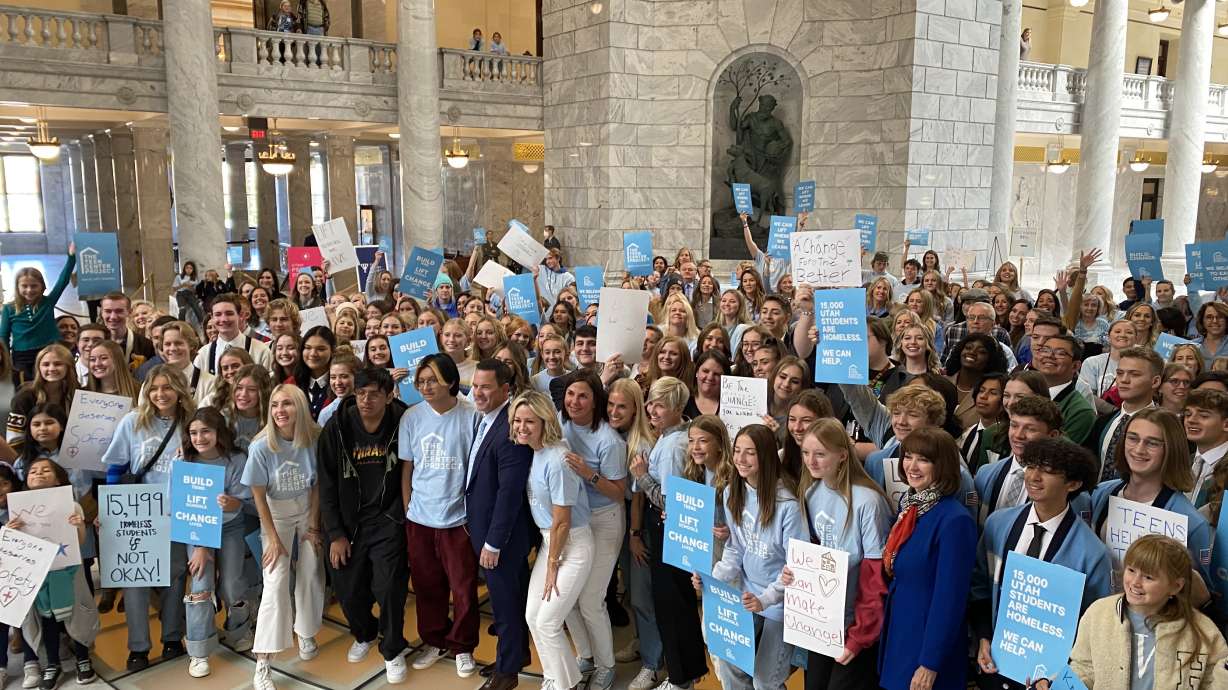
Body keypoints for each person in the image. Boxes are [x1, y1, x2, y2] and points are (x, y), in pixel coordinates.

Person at [970, 437, 1112, 690]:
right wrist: (983, 636)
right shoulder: (998, 524)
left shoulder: (1092, 553)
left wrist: (1062, 676)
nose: (1034, 477)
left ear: (1073, 483)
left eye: (1048, 471)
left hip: (1047, 679)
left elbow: (1093, 625)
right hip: (994, 664)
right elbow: (980, 584)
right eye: (1031, 466)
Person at [318, 366, 411, 683]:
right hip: (349, 524)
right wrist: (335, 534)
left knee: (389, 588)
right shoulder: (336, 428)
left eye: (374, 394)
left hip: (388, 519)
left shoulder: (403, 421)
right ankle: (365, 633)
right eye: (361, 393)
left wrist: (399, 515)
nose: (366, 400)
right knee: (347, 591)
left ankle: (392, 648)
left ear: (388, 395)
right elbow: (326, 485)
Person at [783, 419, 890, 690]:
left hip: (854, 626)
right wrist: (793, 574)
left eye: (820, 454)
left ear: (843, 455)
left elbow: (875, 580)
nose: (811, 461)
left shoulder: (867, 502)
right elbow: (809, 557)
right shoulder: (810, 492)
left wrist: (859, 636)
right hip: (822, 624)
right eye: (806, 453)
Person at [101, 365, 193, 671]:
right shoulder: (132, 422)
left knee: (176, 575)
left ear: (180, 389)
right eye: (154, 388)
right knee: (135, 582)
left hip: (178, 512)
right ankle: (138, 647)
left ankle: (171, 637)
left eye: (167, 387)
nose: (160, 394)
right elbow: (115, 467)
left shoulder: (191, 423)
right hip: (137, 513)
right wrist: (110, 511)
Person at [706, 424, 808, 690]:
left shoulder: (787, 505)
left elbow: (796, 567)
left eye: (749, 453)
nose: (740, 459)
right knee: (729, 662)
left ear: (765, 456)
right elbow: (736, 548)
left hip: (780, 604)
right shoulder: (732, 493)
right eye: (737, 451)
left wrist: (766, 600)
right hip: (748, 594)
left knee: (765, 680)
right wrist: (713, 579)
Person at [397, 355, 480, 677]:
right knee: (427, 585)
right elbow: (407, 468)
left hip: (458, 519)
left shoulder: (471, 415)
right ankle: (434, 638)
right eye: (421, 381)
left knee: (463, 588)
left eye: (432, 380)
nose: (425, 387)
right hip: (420, 517)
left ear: (449, 380)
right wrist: (408, 509)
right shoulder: (412, 417)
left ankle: (463, 645)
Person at [876, 427, 977, 690]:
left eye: (924, 459)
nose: (912, 465)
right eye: (908, 456)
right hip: (900, 633)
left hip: (927, 647)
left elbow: (950, 599)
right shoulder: (909, 506)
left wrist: (930, 663)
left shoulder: (955, 520)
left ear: (942, 465)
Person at [508, 390, 592, 690]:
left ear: (545, 422)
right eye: (517, 420)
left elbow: (563, 521)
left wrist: (553, 564)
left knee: (548, 622)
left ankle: (564, 685)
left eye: (529, 421)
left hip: (572, 545)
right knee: (533, 617)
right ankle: (557, 678)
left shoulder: (557, 458)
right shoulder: (536, 451)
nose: (521, 427)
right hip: (551, 542)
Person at [628, 377, 707, 690]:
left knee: (673, 604)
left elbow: (670, 502)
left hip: (668, 530)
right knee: (673, 603)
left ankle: (680, 678)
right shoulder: (671, 435)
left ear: (676, 408)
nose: (651, 409)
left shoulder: (675, 445)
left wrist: (642, 476)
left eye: (659, 404)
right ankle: (683, 672)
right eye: (649, 403)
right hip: (665, 529)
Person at [1069, 534, 1228, 689]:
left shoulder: (1203, 631)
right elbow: (1083, 668)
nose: (1135, 582)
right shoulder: (1098, 613)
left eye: (1148, 577)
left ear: (1176, 586)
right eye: (1131, 570)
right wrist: (1055, 685)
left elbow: (1213, 682)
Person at [245, 385, 325, 690]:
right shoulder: (261, 446)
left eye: (287, 404)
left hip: (306, 509)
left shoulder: (314, 438)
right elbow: (257, 493)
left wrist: (314, 525)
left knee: (310, 571)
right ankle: (263, 661)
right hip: (275, 514)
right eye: (275, 405)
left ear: (300, 408)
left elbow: (317, 484)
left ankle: (305, 631)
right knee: (276, 581)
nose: (280, 411)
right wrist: (274, 538)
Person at [1089, 408, 1214, 590]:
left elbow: (1203, 593)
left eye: (1152, 443)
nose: (1139, 449)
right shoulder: (1100, 493)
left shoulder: (1191, 522)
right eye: (1132, 438)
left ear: (1171, 450)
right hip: (1100, 610)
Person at [465, 359, 534, 690]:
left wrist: (493, 543)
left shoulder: (510, 429)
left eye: (485, 387)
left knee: (505, 607)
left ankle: (507, 674)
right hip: (488, 532)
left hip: (501, 539)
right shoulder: (486, 420)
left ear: (505, 390)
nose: (477, 393)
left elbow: (509, 493)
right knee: (510, 601)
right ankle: (515, 655)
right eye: (475, 386)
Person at [557, 371, 626, 690]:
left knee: (590, 599)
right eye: (571, 394)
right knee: (567, 598)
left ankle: (606, 665)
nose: (574, 401)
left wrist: (589, 474)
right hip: (574, 519)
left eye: (583, 395)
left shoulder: (609, 440)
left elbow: (619, 492)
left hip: (604, 518)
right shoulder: (561, 422)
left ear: (595, 400)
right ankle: (585, 656)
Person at [8, 457, 99, 688]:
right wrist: (9, 532)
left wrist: (78, 525)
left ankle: (82, 658)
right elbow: (14, 549)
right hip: (40, 576)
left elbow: (79, 542)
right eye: (32, 471)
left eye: (45, 470)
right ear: (26, 479)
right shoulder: (18, 511)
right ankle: (52, 663)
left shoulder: (72, 505)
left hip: (68, 573)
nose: (38, 474)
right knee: (46, 618)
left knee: (76, 614)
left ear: (58, 478)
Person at [180, 407, 254, 677]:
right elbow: (182, 505)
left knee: (232, 583)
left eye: (206, 431)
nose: (199, 438)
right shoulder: (185, 462)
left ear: (219, 432)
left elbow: (245, 501)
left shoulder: (236, 459)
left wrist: (233, 501)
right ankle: (199, 650)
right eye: (194, 432)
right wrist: (200, 547)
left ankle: (239, 629)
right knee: (200, 583)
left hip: (230, 527)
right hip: (197, 532)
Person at [973, 395, 1063, 527]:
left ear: (1053, 436)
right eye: (1014, 426)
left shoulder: (1063, 489)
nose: (1018, 435)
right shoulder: (985, 473)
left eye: (1030, 429)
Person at [0, 243, 75, 385]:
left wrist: (72, 257)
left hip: (47, 351)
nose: (29, 290)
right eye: (24, 286)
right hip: (21, 356)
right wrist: (5, 359)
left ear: (42, 286)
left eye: (34, 286)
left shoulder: (48, 302)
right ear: (17, 287)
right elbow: (3, 336)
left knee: (49, 383)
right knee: (24, 385)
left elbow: (63, 280)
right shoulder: (9, 309)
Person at [1085, 346, 1162, 481]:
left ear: (1155, 381)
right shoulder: (1103, 422)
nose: (1124, 380)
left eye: (1134, 374)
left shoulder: (1165, 427)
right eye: (1120, 373)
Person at [1031, 333, 1095, 443]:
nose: (1050, 356)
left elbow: (1058, 453)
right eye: (1045, 350)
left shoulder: (1081, 412)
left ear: (1075, 366)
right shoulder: (1025, 392)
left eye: (1060, 353)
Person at [194, 294, 273, 375]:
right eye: (218, 314)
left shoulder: (261, 351)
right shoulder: (203, 355)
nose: (224, 319)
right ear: (212, 317)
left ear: (240, 315)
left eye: (229, 313)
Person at [1183, 388, 1228, 507]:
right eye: (1188, 414)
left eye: (1203, 416)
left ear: (1226, 424)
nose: (1191, 420)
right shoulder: (1182, 462)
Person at [99, 292, 156, 372]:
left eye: (119, 311)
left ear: (129, 312)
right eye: (108, 311)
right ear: (102, 313)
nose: (113, 317)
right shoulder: (95, 342)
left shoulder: (146, 345)